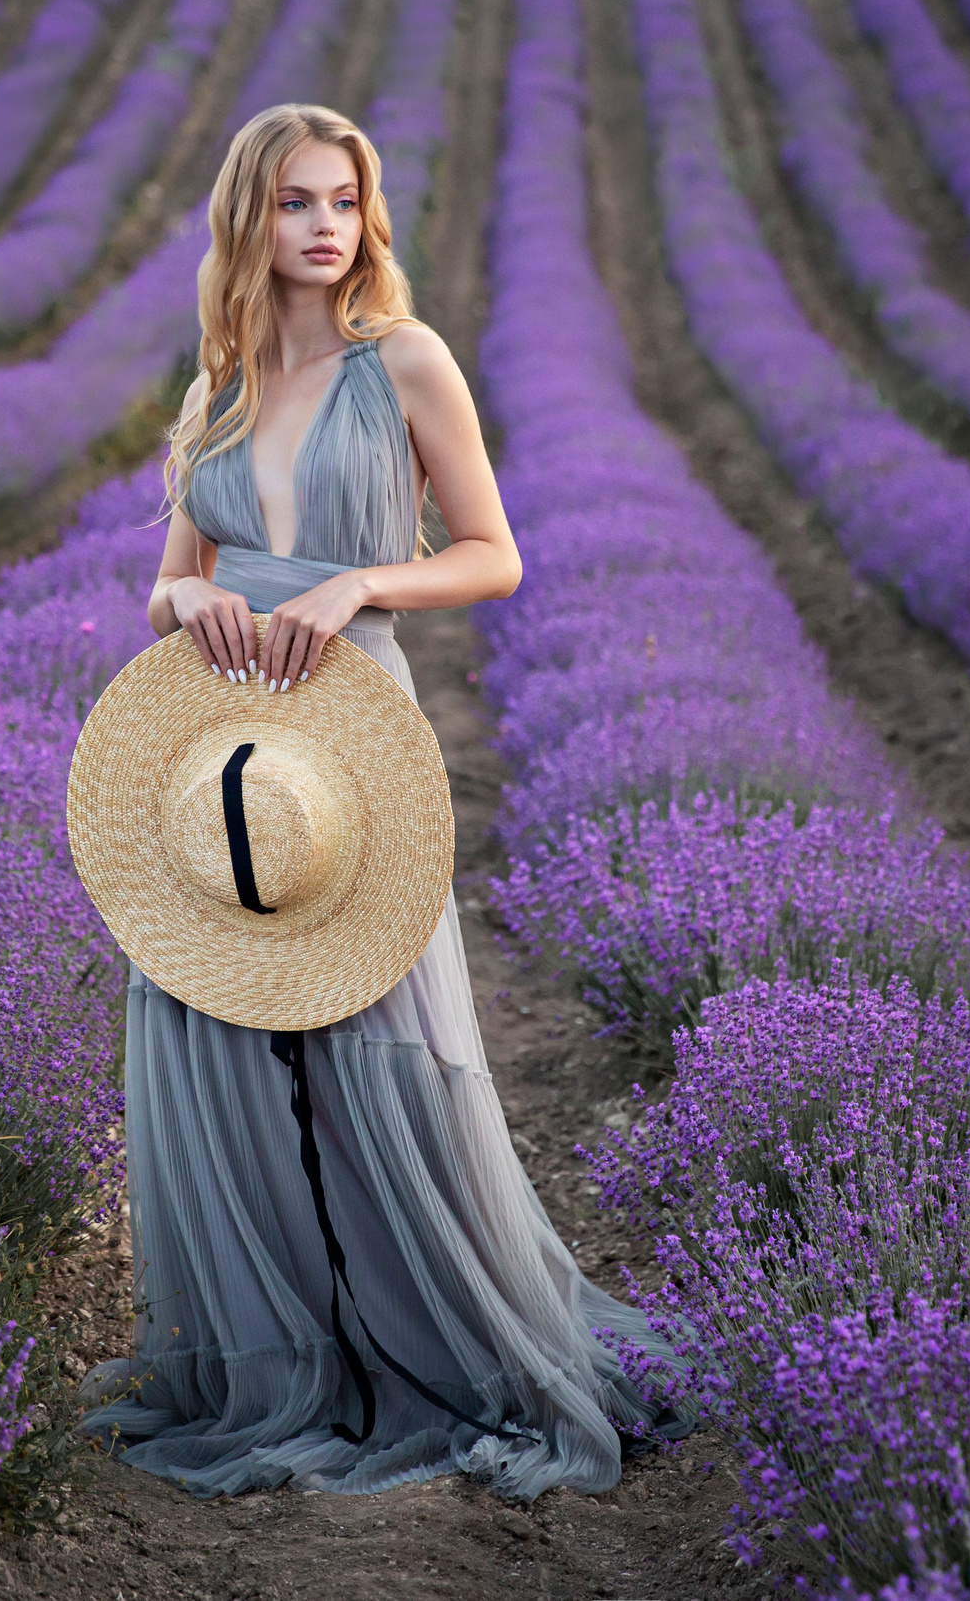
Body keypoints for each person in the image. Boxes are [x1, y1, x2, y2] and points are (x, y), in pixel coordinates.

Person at [75, 102, 693, 1499]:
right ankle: (280, 1366)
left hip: (355, 735)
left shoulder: (405, 362)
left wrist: (361, 580)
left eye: (344, 202)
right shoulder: (221, 381)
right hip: (225, 741)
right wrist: (182, 591)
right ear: (251, 217)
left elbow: (492, 556)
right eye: (296, 202)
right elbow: (172, 575)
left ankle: (430, 1352)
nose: (325, 227)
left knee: (375, 1042)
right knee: (221, 1037)